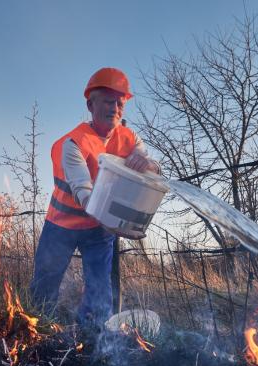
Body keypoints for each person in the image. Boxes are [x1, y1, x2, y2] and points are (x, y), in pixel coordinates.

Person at [30, 67, 160, 328]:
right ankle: (37, 329)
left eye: (120, 103)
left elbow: (155, 172)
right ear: (91, 105)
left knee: (101, 289)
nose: (115, 108)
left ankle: (93, 338)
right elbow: (84, 193)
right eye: (108, 102)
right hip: (62, 224)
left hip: (99, 228)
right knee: (46, 281)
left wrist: (147, 163)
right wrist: (117, 224)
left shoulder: (130, 138)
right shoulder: (73, 143)